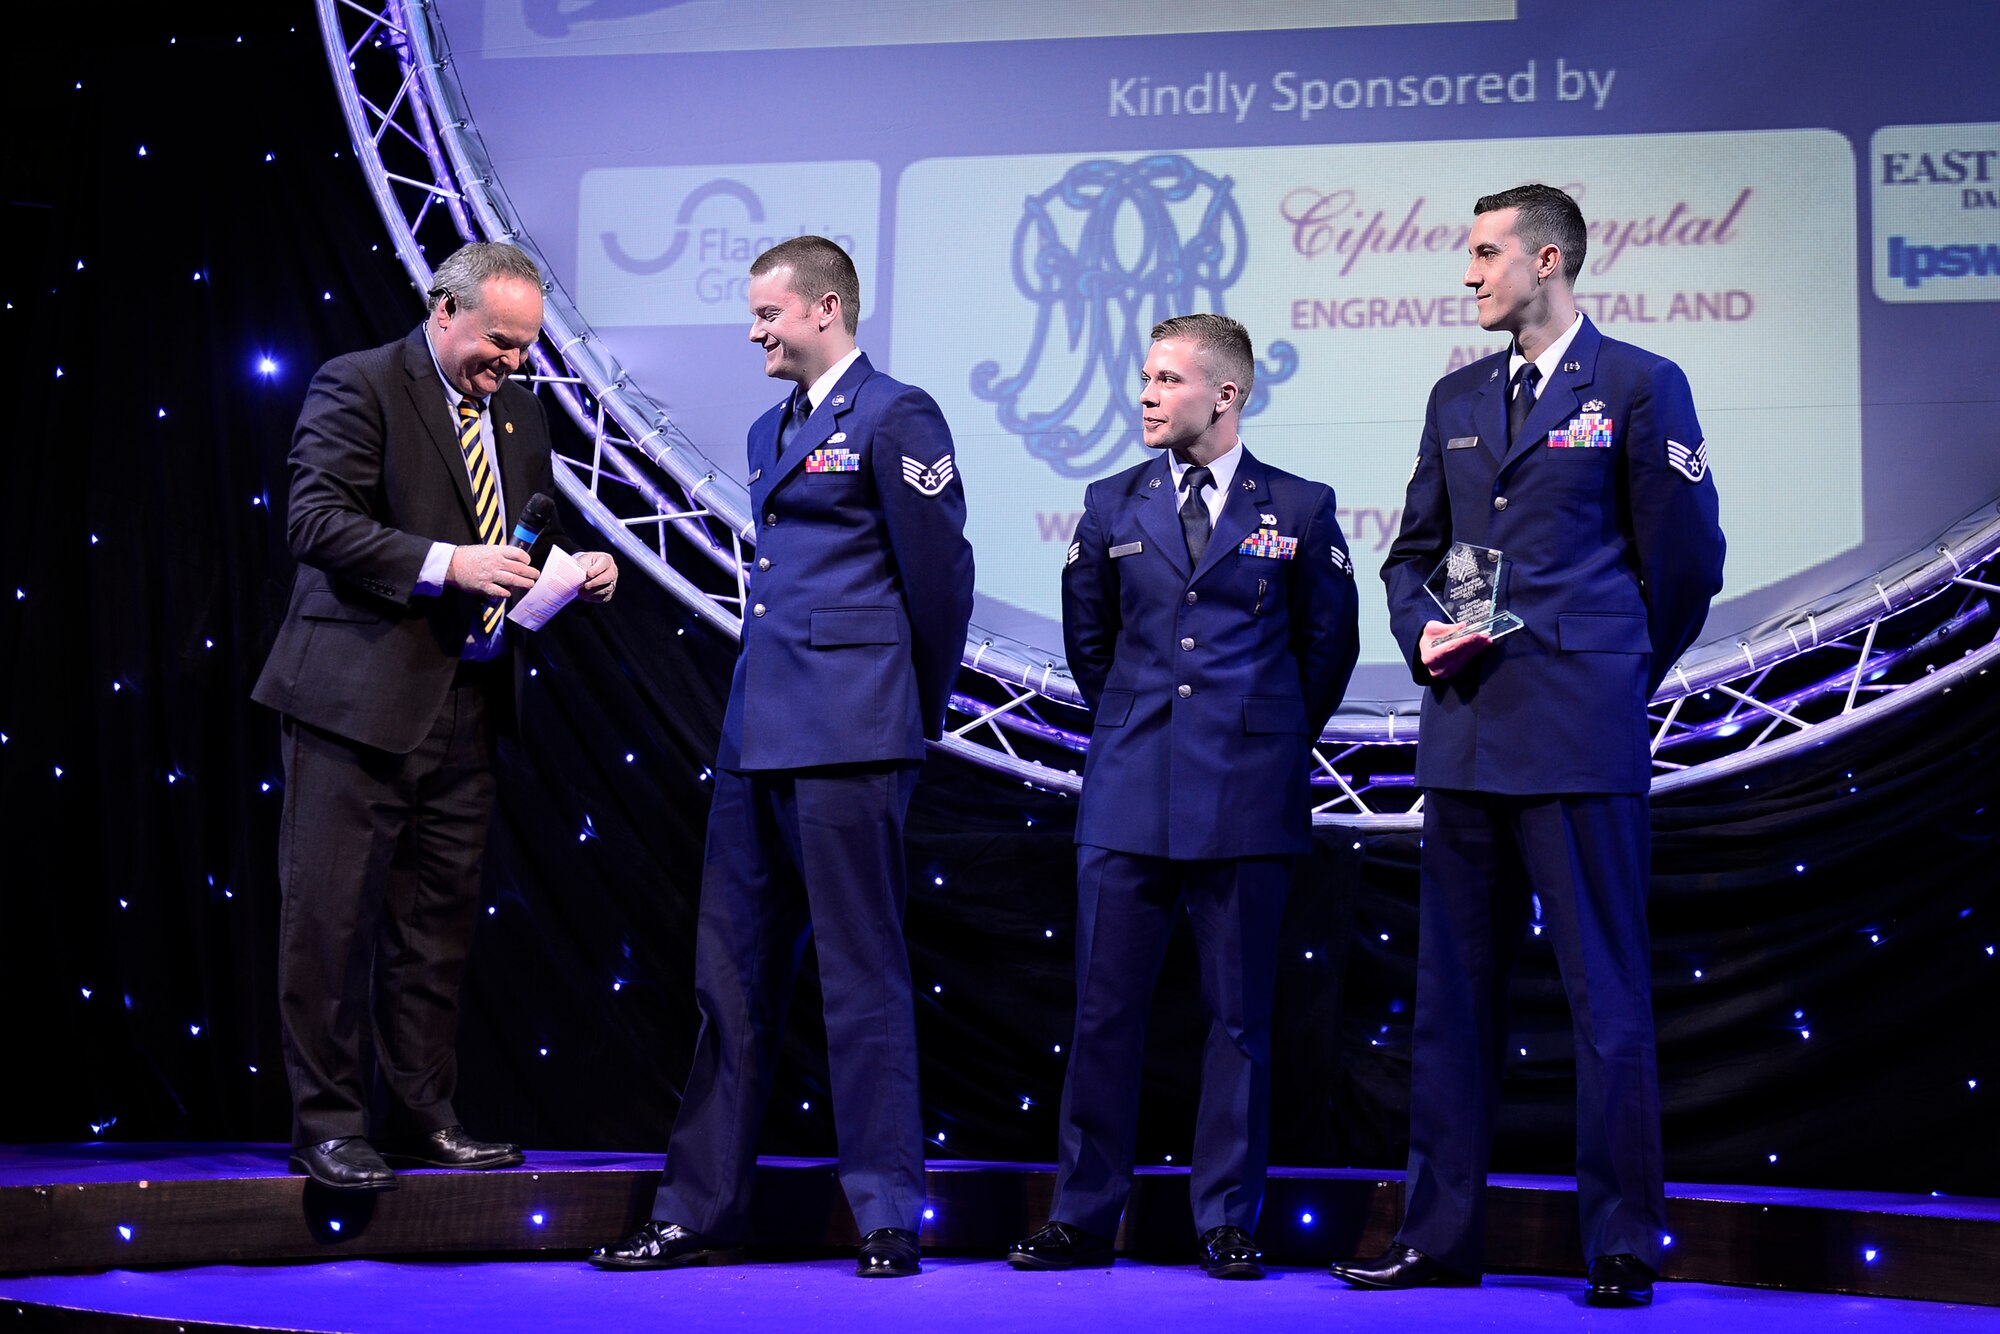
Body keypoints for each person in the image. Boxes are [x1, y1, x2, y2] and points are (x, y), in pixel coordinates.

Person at [1331, 184, 1724, 1307]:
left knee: (1604, 993)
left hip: (1578, 730)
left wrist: (1613, 675)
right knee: (1449, 1000)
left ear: (1545, 259)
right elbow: (1416, 554)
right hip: (1464, 735)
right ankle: (1440, 1234)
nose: (1468, 272)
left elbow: (1687, 561)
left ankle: (1621, 1239)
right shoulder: (1455, 393)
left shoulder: (1641, 384)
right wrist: (1424, 630)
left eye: (1485, 252)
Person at [590, 236, 974, 1278]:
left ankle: (888, 1211)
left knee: (860, 975)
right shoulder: (771, 427)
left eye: (766, 312)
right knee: (731, 982)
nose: (753, 330)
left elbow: (939, 579)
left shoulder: (897, 415)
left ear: (826, 307)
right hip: (757, 731)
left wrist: (908, 710)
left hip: (852, 733)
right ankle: (697, 1207)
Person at [253, 241, 619, 1191]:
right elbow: (317, 522)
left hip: (471, 696)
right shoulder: (360, 384)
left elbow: (516, 530)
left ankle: (421, 1119)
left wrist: (574, 567)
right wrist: (445, 563)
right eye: (498, 342)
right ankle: (329, 1125)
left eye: (527, 348)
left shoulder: (521, 410)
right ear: (443, 309)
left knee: (436, 928)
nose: (512, 364)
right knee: (328, 923)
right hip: (354, 699)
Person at [1007, 314, 1359, 1279]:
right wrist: (1137, 725)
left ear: (1226, 395)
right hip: (1128, 791)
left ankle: (1226, 1221)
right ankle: (1082, 1216)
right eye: (1147, 377)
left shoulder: (1302, 505)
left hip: (1247, 796)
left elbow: (1325, 652)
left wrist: (1260, 737)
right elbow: (1093, 648)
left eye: (1168, 379)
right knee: (1102, 1013)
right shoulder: (1110, 503)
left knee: (1240, 1019)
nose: (1148, 395)